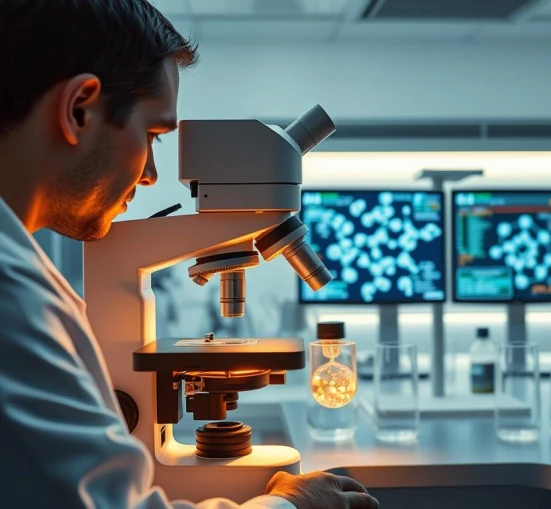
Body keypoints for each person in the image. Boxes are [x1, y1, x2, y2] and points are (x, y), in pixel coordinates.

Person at [0, 2, 379, 508]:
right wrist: (295, 505)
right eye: (153, 134)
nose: (153, 173)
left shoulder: (19, 272)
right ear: (79, 110)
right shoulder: (11, 296)